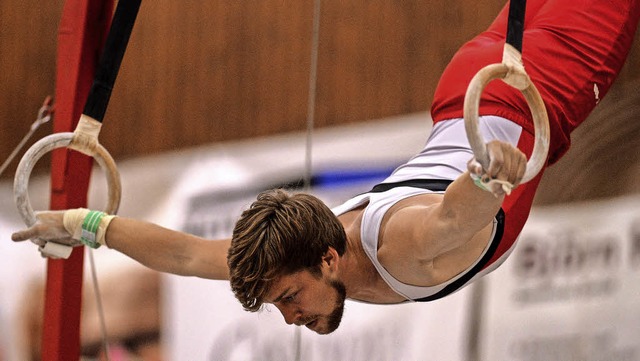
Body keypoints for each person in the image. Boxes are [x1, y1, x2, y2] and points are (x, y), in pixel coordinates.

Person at [12, 0, 640, 336]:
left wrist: (486, 180)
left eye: (288, 298)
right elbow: (181, 255)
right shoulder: (301, 253)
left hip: (538, 85)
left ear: (331, 259)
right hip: (475, 93)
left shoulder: (403, 245)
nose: (289, 316)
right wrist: (84, 222)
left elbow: (450, 219)